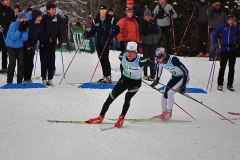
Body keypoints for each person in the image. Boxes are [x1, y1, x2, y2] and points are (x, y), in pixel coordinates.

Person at [86, 41, 156, 127]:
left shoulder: (141, 61)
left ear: (136, 53)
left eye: (132, 52)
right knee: (111, 97)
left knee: (127, 98)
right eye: (128, 52)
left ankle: (121, 118)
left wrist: (153, 67)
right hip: (124, 80)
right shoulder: (121, 56)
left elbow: (152, 64)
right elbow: (122, 64)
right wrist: (123, 73)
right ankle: (100, 116)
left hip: (135, 83)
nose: (129, 54)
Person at [151, 47, 190, 120]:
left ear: (164, 55)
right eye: (156, 58)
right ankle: (164, 113)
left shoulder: (173, 60)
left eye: (159, 57)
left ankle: (169, 112)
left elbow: (186, 71)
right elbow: (159, 69)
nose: (158, 59)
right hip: (175, 77)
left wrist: (183, 86)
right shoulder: (159, 61)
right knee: (163, 95)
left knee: (170, 93)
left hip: (183, 78)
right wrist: (156, 80)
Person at [84, 5, 119, 83]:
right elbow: (93, 31)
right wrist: (88, 34)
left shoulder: (110, 19)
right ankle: (105, 75)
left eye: (104, 11)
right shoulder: (95, 20)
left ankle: (108, 75)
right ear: (99, 11)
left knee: (105, 58)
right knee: (101, 59)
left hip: (106, 42)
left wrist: (113, 33)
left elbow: (117, 29)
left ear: (106, 11)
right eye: (101, 11)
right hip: (98, 43)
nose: (102, 13)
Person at [214, 15, 240, 92]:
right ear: (227, 20)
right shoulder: (222, 27)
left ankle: (230, 84)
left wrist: (238, 45)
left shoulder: (236, 29)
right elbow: (214, 35)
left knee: (232, 68)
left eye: (233, 20)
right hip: (223, 50)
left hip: (232, 50)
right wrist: (215, 44)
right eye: (230, 20)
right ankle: (220, 84)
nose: (231, 21)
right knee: (222, 67)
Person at [40, 3, 63, 86]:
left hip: (52, 43)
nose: (54, 10)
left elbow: (59, 30)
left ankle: (50, 79)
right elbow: (41, 31)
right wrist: (43, 41)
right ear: (48, 10)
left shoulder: (57, 18)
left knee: (51, 62)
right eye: (52, 9)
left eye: (55, 9)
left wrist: (60, 40)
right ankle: (44, 79)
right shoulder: (44, 18)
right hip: (44, 44)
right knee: (44, 61)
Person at [5, 12, 28, 84]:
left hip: (19, 47)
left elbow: (24, 39)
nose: (24, 19)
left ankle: (19, 82)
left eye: (25, 18)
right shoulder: (13, 25)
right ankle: (9, 81)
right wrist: (19, 29)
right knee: (12, 63)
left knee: (21, 63)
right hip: (11, 46)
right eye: (22, 18)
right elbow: (14, 37)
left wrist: (24, 30)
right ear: (19, 19)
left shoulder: (25, 26)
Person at [23, 10, 43, 83]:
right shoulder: (28, 23)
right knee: (26, 63)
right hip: (26, 46)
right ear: (35, 17)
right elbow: (24, 35)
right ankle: (25, 79)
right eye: (39, 17)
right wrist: (27, 45)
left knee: (31, 63)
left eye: (41, 16)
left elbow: (39, 35)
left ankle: (29, 78)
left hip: (32, 46)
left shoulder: (38, 25)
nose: (40, 18)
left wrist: (41, 42)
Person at [140, 8, 160, 81]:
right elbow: (140, 33)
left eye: (148, 15)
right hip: (145, 44)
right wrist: (143, 39)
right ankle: (145, 74)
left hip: (154, 44)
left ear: (150, 16)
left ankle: (152, 75)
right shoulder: (142, 23)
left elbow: (159, 31)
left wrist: (157, 38)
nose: (147, 17)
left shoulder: (154, 22)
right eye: (146, 16)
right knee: (145, 59)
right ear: (144, 16)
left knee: (152, 59)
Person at [0, 0, 15, 74]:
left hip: (6, 34)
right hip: (0, 32)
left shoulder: (10, 10)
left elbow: (14, 20)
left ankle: (4, 67)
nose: (9, 1)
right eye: (7, 0)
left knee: (5, 51)